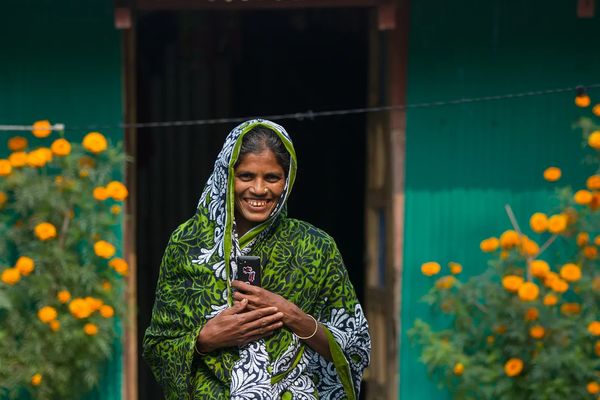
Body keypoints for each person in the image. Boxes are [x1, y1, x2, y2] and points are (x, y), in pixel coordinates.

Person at [142, 119, 370, 399]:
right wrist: (205, 339)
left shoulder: (314, 246)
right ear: (227, 176)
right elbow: (157, 348)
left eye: (272, 178)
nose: (259, 189)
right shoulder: (188, 242)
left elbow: (355, 348)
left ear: (287, 180)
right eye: (246, 176)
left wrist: (292, 315)